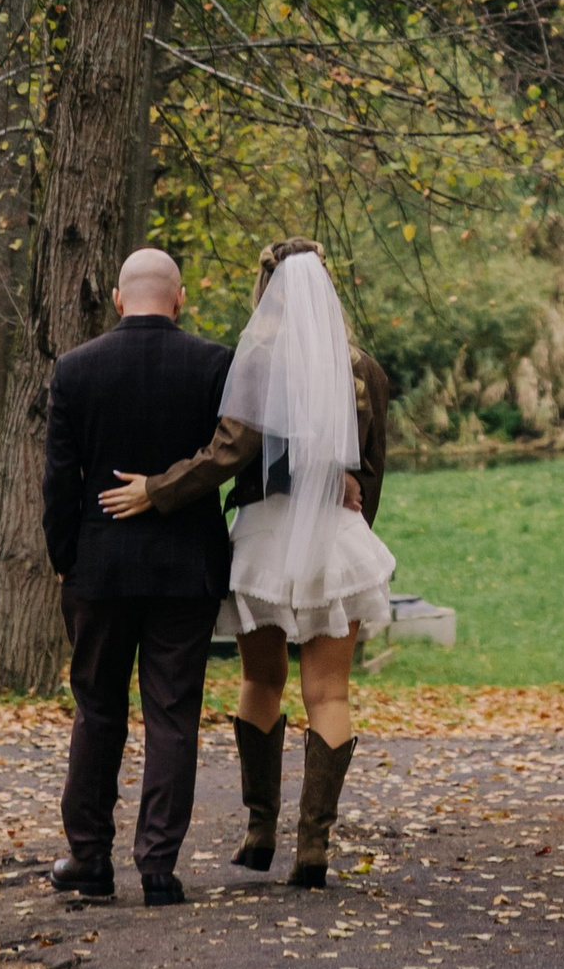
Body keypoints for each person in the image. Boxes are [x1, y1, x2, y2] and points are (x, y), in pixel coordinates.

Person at [102, 238, 392, 890]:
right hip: (334, 543)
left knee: (261, 680)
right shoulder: (363, 371)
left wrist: (159, 488)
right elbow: (371, 473)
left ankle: (260, 832)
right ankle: (312, 848)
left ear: (267, 293)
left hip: (263, 539)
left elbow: (227, 454)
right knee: (330, 694)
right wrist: (349, 544)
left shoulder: (257, 364)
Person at [41, 245, 235, 907]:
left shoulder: (76, 368)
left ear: (119, 298)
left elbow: (59, 480)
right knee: (173, 715)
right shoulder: (214, 364)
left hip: (99, 567)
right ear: (179, 299)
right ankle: (158, 865)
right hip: (186, 567)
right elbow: (225, 456)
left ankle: (89, 858)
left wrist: (65, 559)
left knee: (97, 710)